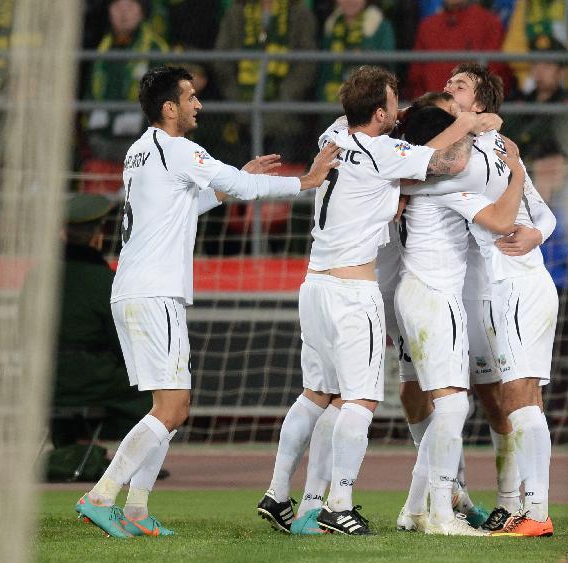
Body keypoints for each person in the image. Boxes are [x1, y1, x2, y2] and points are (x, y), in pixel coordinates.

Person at [75, 65, 338, 538]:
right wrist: (308, 180)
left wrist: (236, 179)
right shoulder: (177, 148)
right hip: (155, 292)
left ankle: (135, 509)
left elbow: (184, 208)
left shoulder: (138, 152)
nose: (198, 104)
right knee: (174, 408)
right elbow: (244, 188)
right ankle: (100, 496)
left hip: (136, 289)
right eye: (190, 97)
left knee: (167, 406)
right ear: (169, 107)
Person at [257, 65, 497, 536]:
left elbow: (392, 129)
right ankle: (338, 503)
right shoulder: (385, 153)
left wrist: (408, 114)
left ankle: (277, 492)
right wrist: (469, 121)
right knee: (360, 400)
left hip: (314, 284)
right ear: (379, 112)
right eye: (392, 103)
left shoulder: (334, 135)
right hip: (352, 290)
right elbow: (442, 161)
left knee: (314, 395)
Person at [402, 63, 558, 536]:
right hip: (465, 290)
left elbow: (538, 213)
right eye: (448, 84)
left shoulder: (484, 153)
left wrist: (535, 233)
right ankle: (450, 497)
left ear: (482, 105)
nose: (448, 88)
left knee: (503, 397)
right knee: (443, 394)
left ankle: (519, 505)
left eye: (460, 86)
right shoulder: (472, 148)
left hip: (497, 286)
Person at [393, 104, 525, 535]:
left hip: (412, 294)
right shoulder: (448, 186)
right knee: (453, 404)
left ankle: (415, 509)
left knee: (446, 407)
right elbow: (503, 221)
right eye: (461, 139)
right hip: (434, 297)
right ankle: (441, 514)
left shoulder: (413, 184)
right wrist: (517, 173)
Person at [49, 194, 151, 452]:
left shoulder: (39, 277)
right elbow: (124, 345)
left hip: (44, 380)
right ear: (98, 235)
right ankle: (136, 461)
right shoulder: (106, 281)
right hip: (91, 381)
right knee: (157, 392)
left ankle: (69, 447)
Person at [213, 0, 318, 163]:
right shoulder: (236, 12)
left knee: (281, 183)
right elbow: (222, 62)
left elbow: (306, 65)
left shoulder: (299, 13)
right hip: (242, 119)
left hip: (287, 120)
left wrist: (282, 101)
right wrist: (238, 101)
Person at [83, 0, 169, 163]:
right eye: (117, 7)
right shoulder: (100, 48)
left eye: (130, 7)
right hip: (99, 140)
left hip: (140, 143)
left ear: (142, 12)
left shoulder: (155, 49)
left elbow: (161, 100)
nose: (123, 14)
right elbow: (89, 92)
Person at [405, 0, 508, 101]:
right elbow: (415, 79)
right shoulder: (427, 27)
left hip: (472, 111)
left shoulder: (490, 24)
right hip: (433, 111)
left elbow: (496, 74)